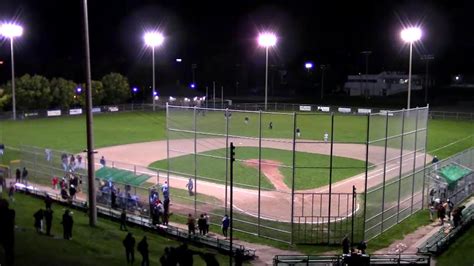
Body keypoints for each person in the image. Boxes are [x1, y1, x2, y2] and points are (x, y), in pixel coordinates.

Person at [0, 199, 16, 266]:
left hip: (2, 234)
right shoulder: (12, 212)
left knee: (8, 252)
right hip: (8, 236)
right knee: (9, 252)